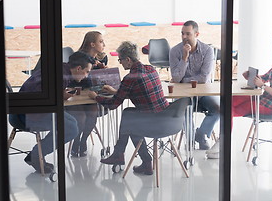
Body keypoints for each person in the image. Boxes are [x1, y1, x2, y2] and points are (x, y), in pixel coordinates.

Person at [88, 41, 170, 175]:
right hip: (166, 118)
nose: (120, 63)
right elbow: (139, 89)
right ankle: (130, 157)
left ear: (128, 59)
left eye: (120, 59)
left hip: (153, 123)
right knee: (128, 114)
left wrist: (95, 96)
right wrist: (117, 91)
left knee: (130, 122)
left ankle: (123, 155)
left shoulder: (130, 78)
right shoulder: (151, 69)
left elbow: (113, 105)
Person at [9, 51, 93, 173]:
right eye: (87, 72)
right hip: (26, 116)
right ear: (79, 68)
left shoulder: (60, 69)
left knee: (72, 123)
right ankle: (36, 156)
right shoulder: (62, 76)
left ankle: (36, 155)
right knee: (71, 128)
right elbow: (48, 99)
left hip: (21, 111)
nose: (86, 76)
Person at [206, 33, 272, 158]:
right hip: (262, 98)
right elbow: (264, 78)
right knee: (228, 102)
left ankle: (223, 144)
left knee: (228, 110)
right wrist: (251, 76)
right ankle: (223, 143)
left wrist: (262, 86)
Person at [169, 20, 220, 150]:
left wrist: (183, 80)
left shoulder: (207, 51)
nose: (184, 37)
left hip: (203, 93)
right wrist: (184, 59)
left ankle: (201, 134)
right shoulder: (175, 51)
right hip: (183, 94)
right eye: (182, 34)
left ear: (196, 34)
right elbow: (176, 77)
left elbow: (203, 78)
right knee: (185, 110)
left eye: (188, 34)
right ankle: (191, 141)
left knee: (219, 109)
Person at [67, 31, 107, 157]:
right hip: (75, 94)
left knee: (93, 113)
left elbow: (95, 82)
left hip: (89, 94)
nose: (104, 44)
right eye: (101, 41)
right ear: (92, 44)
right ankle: (76, 141)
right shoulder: (78, 57)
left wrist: (102, 72)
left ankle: (83, 141)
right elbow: (75, 81)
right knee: (81, 118)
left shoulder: (102, 59)